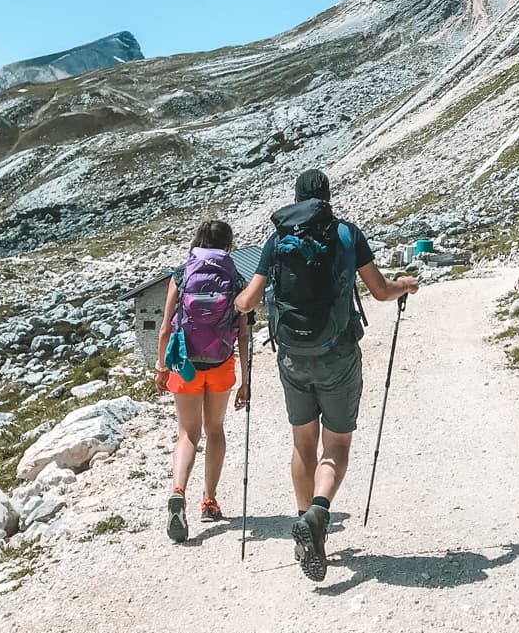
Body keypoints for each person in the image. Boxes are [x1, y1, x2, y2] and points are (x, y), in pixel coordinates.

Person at [234, 167, 417, 581]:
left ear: (296, 198)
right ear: (328, 197)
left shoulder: (279, 236)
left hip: (292, 357)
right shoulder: (348, 234)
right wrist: (405, 284)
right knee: (337, 444)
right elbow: (381, 291)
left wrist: (241, 305)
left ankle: (305, 526)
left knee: (303, 444)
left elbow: (248, 300)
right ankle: (318, 514)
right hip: (338, 354)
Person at [155, 219, 249, 543]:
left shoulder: (181, 275)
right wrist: (246, 380)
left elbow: (166, 327)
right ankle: (209, 501)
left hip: (185, 365)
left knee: (187, 434)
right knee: (215, 430)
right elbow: (244, 332)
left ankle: (178, 490)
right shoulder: (235, 278)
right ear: (228, 245)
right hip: (222, 363)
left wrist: (161, 368)